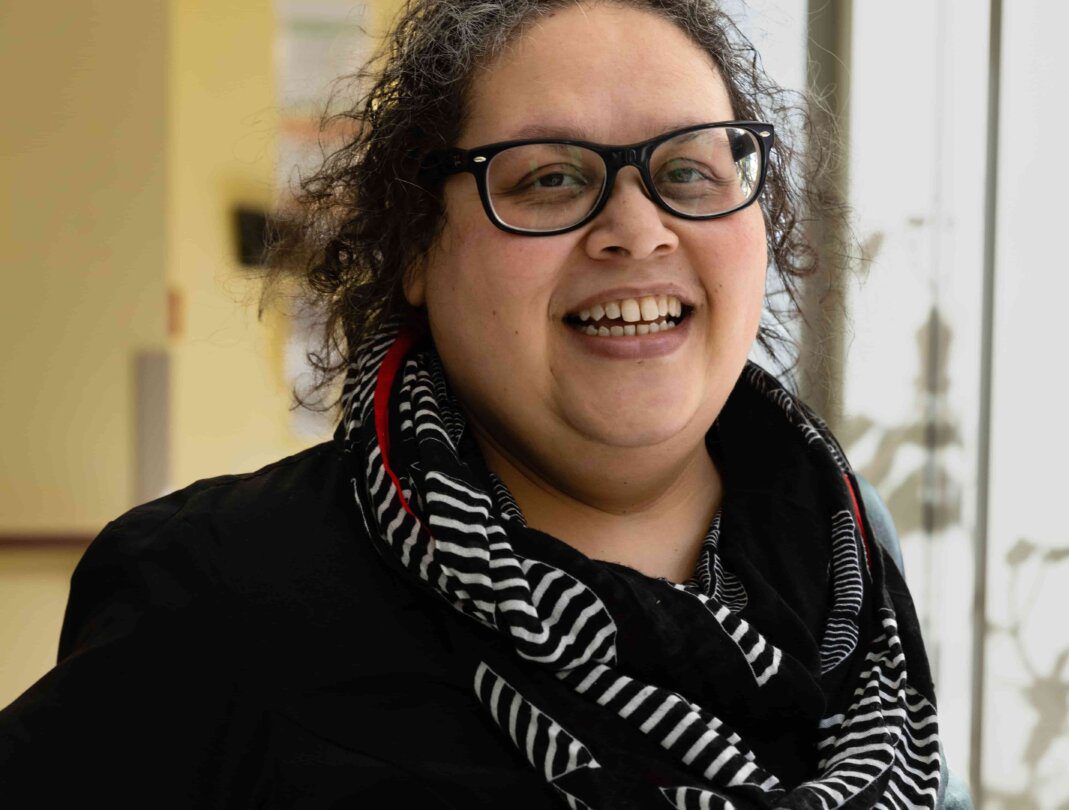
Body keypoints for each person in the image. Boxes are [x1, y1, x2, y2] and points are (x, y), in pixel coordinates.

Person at [0, 1, 971, 807]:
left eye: (688, 170)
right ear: (416, 246)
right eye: (550, 178)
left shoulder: (845, 545)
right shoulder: (221, 590)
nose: (638, 229)